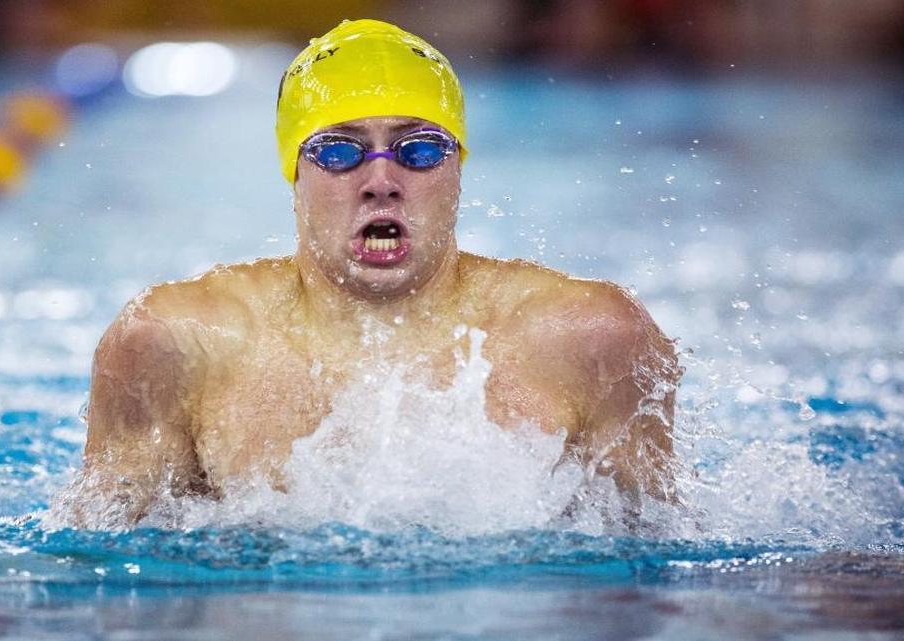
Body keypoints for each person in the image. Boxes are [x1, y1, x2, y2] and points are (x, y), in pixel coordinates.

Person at [77, 19, 680, 526]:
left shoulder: (589, 337)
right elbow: (100, 578)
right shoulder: (178, 342)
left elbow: (650, 575)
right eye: (338, 152)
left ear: (459, 168)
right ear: (295, 173)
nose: (381, 181)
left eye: (419, 150)